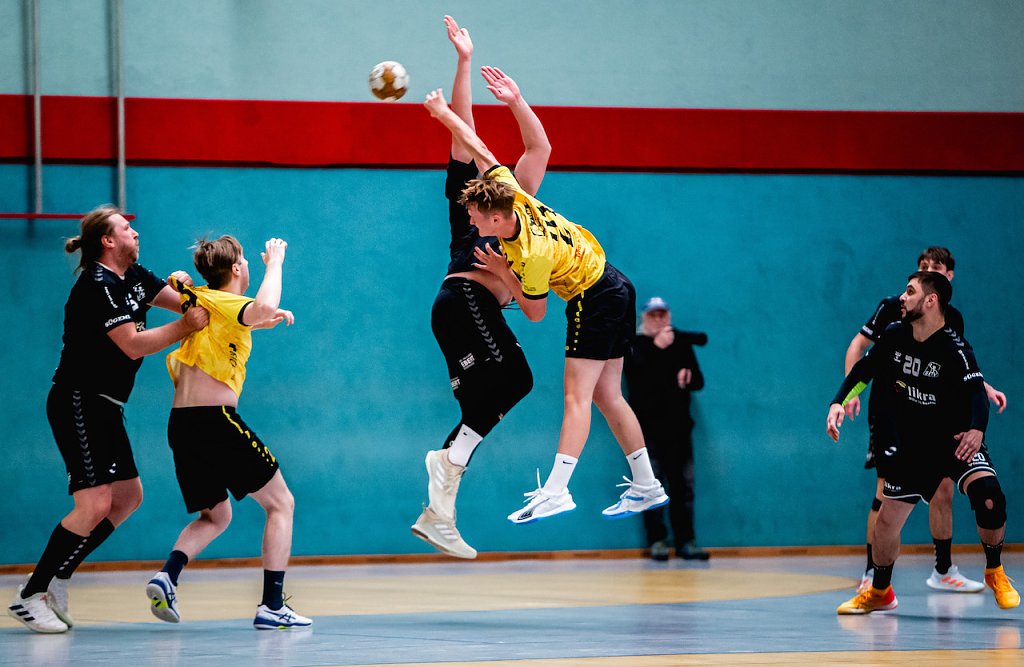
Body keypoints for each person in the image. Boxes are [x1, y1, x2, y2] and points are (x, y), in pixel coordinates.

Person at [424, 88, 668, 524]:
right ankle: (647, 485)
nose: (472, 222)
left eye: (476, 217)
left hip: (594, 295)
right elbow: (479, 145)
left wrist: (504, 275)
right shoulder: (510, 193)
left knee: (577, 395)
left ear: (495, 219)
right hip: (616, 283)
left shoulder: (530, 255)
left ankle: (556, 491)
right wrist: (461, 111)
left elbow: (536, 313)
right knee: (609, 395)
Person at [7, 206, 208, 634]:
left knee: (127, 497)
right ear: (108, 240)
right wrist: (186, 327)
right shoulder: (96, 286)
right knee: (94, 504)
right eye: (126, 229)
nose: (135, 233)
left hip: (107, 405)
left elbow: (183, 305)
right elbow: (132, 344)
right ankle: (30, 594)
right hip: (78, 400)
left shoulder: (133, 275)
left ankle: (58, 576)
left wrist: (190, 289)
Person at [412, 16, 549, 557]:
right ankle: (444, 465)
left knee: (485, 403)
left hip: (465, 308)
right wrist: (464, 61)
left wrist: (517, 101)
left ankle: (439, 513)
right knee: (515, 378)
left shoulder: (521, 211)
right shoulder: (467, 194)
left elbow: (539, 150)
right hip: (466, 299)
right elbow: (461, 125)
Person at [144, 235, 312, 630]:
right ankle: (272, 605)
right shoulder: (225, 301)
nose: (251, 264)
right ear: (236, 268)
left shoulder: (201, 300)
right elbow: (259, 306)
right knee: (281, 503)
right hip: (214, 419)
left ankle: (167, 576)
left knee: (216, 515)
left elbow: (235, 314)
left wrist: (266, 317)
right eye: (246, 261)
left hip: (181, 425)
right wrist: (276, 262)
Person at [827, 271, 1019, 614]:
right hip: (915, 445)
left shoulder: (954, 347)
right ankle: (880, 592)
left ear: (930, 301)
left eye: (910, 291)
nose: (902, 297)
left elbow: (977, 393)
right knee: (886, 522)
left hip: (956, 440)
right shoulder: (894, 335)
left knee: (989, 497)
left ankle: (994, 570)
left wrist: (977, 430)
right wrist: (838, 402)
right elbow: (863, 371)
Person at [624, 297, 709, 561]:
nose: (659, 319)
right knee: (651, 488)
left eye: (663, 314)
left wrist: (689, 377)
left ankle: (686, 541)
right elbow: (635, 378)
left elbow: (698, 381)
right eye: (654, 315)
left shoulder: (680, 343)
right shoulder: (635, 345)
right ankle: (657, 541)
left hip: (680, 428)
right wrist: (657, 348)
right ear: (645, 318)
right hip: (647, 431)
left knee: (684, 487)